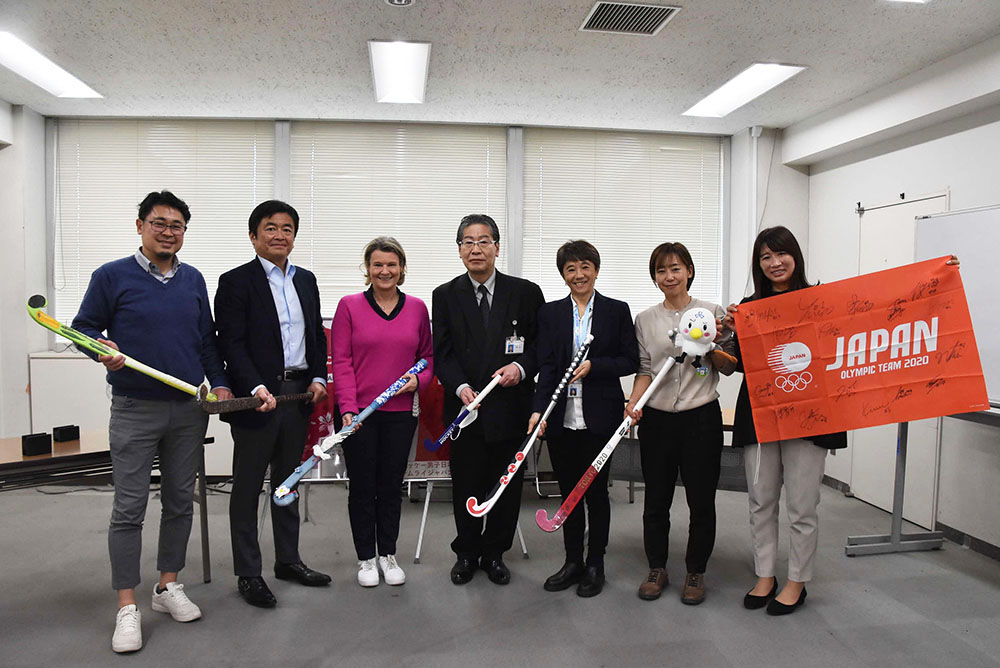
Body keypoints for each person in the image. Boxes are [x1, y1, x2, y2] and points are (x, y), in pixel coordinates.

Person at [72, 190, 232, 653]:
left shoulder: (194, 279)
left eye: (177, 225)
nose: (168, 232)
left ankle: (166, 587)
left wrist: (219, 385)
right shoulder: (112, 276)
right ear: (140, 225)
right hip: (134, 408)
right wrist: (103, 350)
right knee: (129, 509)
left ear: (185, 232)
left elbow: (206, 341)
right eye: (159, 223)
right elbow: (83, 328)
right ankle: (127, 605)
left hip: (187, 407)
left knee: (182, 502)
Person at [723, 225, 847, 616]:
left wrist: (934, 282)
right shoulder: (746, 308)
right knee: (761, 500)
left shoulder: (819, 300)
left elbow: (859, 327)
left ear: (795, 256)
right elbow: (736, 365)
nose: (775, 263)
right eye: (765, 257)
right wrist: (725, 335)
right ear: (758, 264)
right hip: (761, 417)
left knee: (802, 504)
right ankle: (765, 575)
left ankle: (797, 581)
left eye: (781, 254)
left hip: (809, 417)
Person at [213, 200, 331, 609]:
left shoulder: (307, 280)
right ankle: (249, 572)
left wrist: (318, 377)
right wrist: (255, 386)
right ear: (253, 235)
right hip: (256, 400)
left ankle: (288, 560)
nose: (280, 235)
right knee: (247, 488)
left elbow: (316, 334)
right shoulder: (235, 281)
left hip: (298, 397)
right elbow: (230, 342)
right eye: (270, 228)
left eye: (287, 228)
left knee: (288, 483)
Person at [432, 214, 545, 586]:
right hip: (465, 410)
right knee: (465, 483)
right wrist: (460, 386)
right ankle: (466, 553)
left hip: (511, 408)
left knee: (505, 486)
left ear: (497, 247)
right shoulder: (445, 295)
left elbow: (541, 347)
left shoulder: (526, 293)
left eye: (483, 241)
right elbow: (443, 354)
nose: (475, 248)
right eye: (468, 241)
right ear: (459, 250)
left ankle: (495, 553)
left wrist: (521, 368)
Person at [625, 242, 736, 605]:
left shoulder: (713, 313)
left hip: (701, 416)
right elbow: (645, 370)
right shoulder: (645, 319)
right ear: (654, 277)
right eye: (661, 270)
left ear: (689, 270)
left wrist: (708, 344)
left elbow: (731, 365)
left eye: (675, 268)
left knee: (701, 500)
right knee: (655, 499)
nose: (668, 276)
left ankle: (695, 571)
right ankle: (656, 567)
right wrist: (633, 403)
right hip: (657, 420)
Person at [528, 240, 638, 597]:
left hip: (599, 418)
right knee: (568, 494)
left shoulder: (616, 310)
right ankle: (572, 560)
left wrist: (595, 367)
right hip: (561, 418)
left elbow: (629, 361)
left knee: (596, 495)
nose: (579, 275)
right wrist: (538, 409)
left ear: (596, 269)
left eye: (585, 267)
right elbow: (546, 366)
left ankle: (596, 563)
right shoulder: (550, 314)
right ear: (563, 275)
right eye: (571, 269)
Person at [331, 236, 433, 587]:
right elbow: (341, 362)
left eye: (392, 264)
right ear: (368, 269)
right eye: (378, 264)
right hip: (357, 415)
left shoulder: (418, 308)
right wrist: (347, 408)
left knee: (391, 486)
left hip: (400, 413)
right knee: (362, 486)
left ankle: (388, 554)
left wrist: (418, 381)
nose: (385, 271)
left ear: (402, 268)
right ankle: (365, 558)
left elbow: (428, 359)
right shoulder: (348, 306)